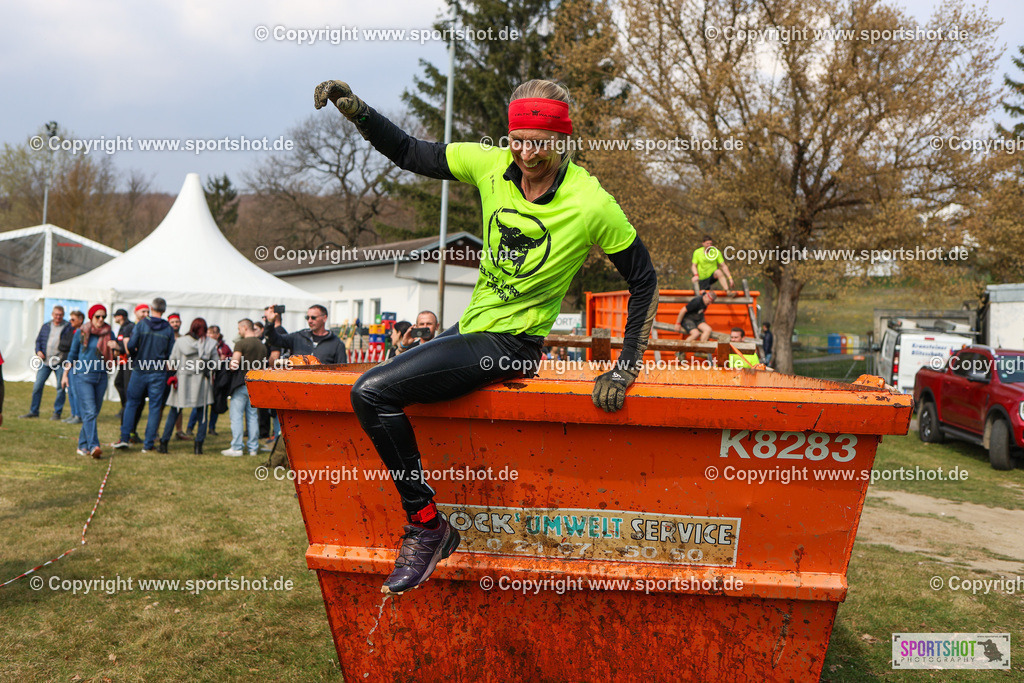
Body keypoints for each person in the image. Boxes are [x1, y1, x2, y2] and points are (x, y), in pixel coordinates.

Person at [314, 77, 658, 594]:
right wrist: (359, 112)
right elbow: (409, 151)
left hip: (514, 345)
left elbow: (644, 279)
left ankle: (426, 526)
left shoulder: (591, 202)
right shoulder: (489, 164)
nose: (527, 154)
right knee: (386, 383)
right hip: (473, 330)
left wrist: (626, 366)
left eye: (539, 143)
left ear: (562, 140)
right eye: (518, 140)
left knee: (371, 392)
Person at [113, 297, 176, 452]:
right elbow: (170, 352)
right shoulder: (168, 329)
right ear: (164, 310)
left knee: (131, 403)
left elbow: (131, 345)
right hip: (158, 371)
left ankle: (125, 438)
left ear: (151, 308)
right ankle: (148, 444)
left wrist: (135, 355)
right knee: (154, 407)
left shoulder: (142, 324)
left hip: (140, 369)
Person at [159, 318, 217, 454]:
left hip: (182, 380)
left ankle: (164, 443)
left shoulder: (180, 342)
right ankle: (198, 447)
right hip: (201, 381)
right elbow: (216, 363)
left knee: (174, 412)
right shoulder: (210, 344)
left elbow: (172, 362)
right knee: (202, 414)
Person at [63, 305, 114, 458]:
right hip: (83, 376)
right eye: (98, 316)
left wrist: (116, 347)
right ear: (91, 317)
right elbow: (72, 355)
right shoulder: (81, 332)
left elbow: (115, 355)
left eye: (103, 316)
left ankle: (82, 445)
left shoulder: (109, 332)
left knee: (92, 413)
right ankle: (94, 446)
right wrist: (65, 375)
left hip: (101, 376)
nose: (101, 319)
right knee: (90, 411)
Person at [221, 319, 268, 457]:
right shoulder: (262, 345)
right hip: (255, 385)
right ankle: (253, 447)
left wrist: (228, 365)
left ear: (245, 328)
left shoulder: (241, 344)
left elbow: (234, 364)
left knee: (236, 416)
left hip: (241, 383)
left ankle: (237, 447)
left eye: (239, 328)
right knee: (252, 417)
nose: (238, 331)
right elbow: (263, 366)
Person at [22, 305, 74, 420]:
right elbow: (39, 341)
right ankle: (33, 411)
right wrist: (38, 351)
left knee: (60, 388)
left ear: (63, 315)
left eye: (60, 315)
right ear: (52, 314)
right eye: (56, 314)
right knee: (37, 386)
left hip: (60, 362)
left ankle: (57, 413)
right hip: (45, 362)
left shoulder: (67, 327)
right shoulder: (46, 326)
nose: (58, 317)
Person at [263, 305, 347, 364]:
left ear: (324, 318)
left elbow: (342, 371)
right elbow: (274, 340)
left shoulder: (337, 344)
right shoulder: (298, 337)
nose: (309, 321)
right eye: (307, 317)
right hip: (298, 382)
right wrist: (270, 322)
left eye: (313, 318)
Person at [62, 310, 86, 424]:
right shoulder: (70, 331)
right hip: (70, 363)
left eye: (73, 319)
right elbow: (62, 345)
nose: (70, 321)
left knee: (76, 392)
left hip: (78, 365)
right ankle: (73, 413)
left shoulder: (84, 332)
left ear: (80, 320)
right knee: (70, 390)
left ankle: (78, 415)